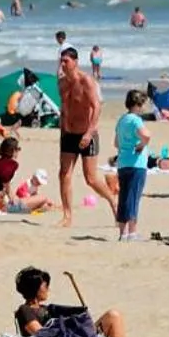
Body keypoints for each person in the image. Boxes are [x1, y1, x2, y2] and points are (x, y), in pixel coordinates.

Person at [56, 47, 110, 228]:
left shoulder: (86, 81)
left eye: (66, 61)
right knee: (64, 174)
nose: (63, 64)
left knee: (91, 179)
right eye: (61, 61)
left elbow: (96, 107)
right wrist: (62, 129)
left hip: (87, 133)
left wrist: (89, 133)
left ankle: (113, 201)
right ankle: (67, 216)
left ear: (76, 62)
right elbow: (65, 108)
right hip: (68, 134)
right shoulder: (62, 83)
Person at [13, 266, 127, 337]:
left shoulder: (47, 309)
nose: (48, 289)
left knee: (113, 316)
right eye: (45, 286)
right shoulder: (25, 310)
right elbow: (41, 334)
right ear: (35, 289)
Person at [113, 88, 149, 241]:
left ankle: (122, 232)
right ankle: (132, 232)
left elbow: (116, 143)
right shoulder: (136, 120)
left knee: (123, 197)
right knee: (133, 197)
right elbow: (146, 135)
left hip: (123, 162)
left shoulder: (122, 120)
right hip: (136, 163)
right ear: (138, 104)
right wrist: (141, 145)